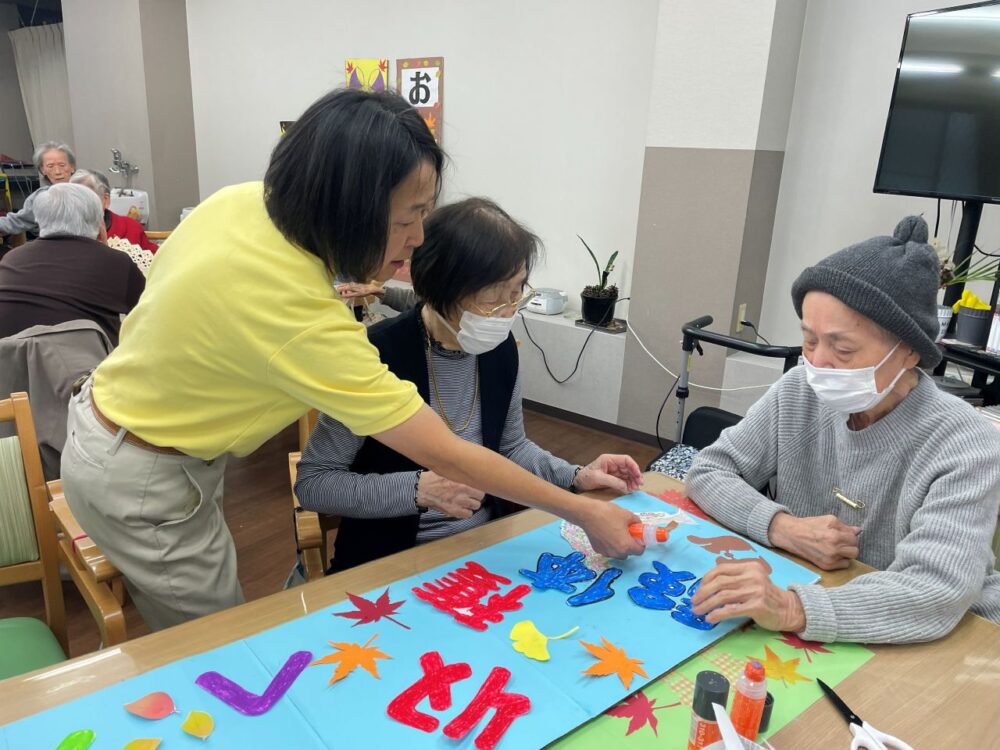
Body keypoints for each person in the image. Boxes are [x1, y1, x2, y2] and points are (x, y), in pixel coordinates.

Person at [60, 89, 643, 632]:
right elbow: (425, 458)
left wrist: (572, 475)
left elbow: (506, 443)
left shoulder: (241, 203)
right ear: (350, 208)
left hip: (125, 424)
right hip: (145, 469)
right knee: (218, 647)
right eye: (408, 216)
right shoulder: (322, 328)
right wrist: (579, 510)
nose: (416, 237)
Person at [685, 216, 1000, 644]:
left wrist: (793, 607)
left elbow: (936, 590)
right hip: (827, 596)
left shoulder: (967, 443)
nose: (817, 362)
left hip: (953, 637)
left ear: (909, 352)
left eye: (843, 348)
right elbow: (708, 471)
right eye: (809, 340)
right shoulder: (799, 390)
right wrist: (781, 526)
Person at [296, 198, 642, 571]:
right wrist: (416, 491)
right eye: (493, 293)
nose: (508, 309)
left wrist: (575, 475)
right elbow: (315, 483)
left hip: (485, 547)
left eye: (517, 290)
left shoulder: (498, 347)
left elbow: (511, 447)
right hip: (391, 560)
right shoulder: (373, 356)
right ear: (438, 287)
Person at [0, 183, 145, 343]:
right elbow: (147, 310)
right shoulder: (115, 262)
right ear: (98, 221)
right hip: (87, 364)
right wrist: (104, 246)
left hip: (12, 363)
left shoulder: (12, 258)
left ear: (40, 220)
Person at [70, 169, 159, 253]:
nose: (79, 207)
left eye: (86, 200)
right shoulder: (63, 231)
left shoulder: (130, 227)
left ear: (105, 199)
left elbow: (154, 260)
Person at [0, 141, 75, 238]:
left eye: (62, 165)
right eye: (50, 166)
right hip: (51, 247)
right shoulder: (40, 197)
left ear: (72, 167)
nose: (57, 172)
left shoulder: (87, 190)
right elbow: (18, 221)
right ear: (42, 170)